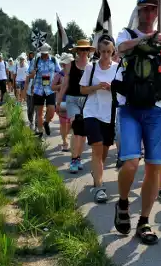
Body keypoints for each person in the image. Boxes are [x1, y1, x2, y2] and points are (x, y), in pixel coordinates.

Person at [112, 0, 161, 245]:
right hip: (129, 107)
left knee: (154, 166)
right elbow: (120, 50)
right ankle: (122, 203)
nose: (150, 14)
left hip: (156, 109)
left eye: (154, 9)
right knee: (130, 163)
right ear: (138, 11)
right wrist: (150, 38)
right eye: (145, 9)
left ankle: (144, 221)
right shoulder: (126, 34)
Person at [81, 35, 118, 203]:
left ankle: (97, 173)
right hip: (92, 111)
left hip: (109, 114)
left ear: (113, 51)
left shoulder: (118, 69)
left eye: (109, 52)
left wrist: (113, 89)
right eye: (103, 51)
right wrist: (96, 87)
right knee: (96, 147)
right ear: (98, 51)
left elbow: (123, 92)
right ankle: (99, 188)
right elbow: (82, 90)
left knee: (103, 151)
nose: (105, 55)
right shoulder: (91, 67)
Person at [58, 39, 95, 173]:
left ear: (88, 51)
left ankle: (78, 158)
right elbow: (65, 84)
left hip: (87, 101)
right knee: (76, 128)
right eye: (81, 49)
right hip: (72, 99)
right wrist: (58, 100)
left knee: (83, 134)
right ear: (77, 51)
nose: (83, 52)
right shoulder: (70, 65)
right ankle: (74, 159)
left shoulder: (92, 66)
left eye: (86, 50)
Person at [29, 43, 61, 137]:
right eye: (43, 53)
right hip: (38, 89)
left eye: (46, 53)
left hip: (50, 88)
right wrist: (33, 72)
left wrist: (58, 84)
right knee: (39, 112)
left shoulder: (54, 60)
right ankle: (40, 132)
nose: (44, 55)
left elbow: (59, 72)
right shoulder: (36, 60)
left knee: (51, 110)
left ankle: (46, 122)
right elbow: (30, 74)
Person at [53, 53, 74, 152]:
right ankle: (65, 142)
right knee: (63, 123)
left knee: (71, 123)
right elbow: (52, 87)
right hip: (62, 102)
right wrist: (62, 85)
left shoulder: (76, 74)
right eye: (67, 63)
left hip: (74, 102)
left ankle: (67, 139)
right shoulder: (59, 75)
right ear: (63, 65)